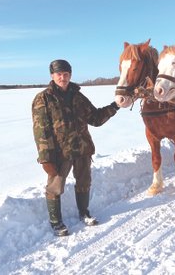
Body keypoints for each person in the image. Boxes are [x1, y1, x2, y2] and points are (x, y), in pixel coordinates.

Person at [32, 59, 120, 237]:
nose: (63, 78)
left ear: (70, 75)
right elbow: (41, 131)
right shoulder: (44, 98)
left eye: (66, 74)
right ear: (52, 76)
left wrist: (115, 106)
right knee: (55, 187)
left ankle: (84, 212)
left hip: (82, 149)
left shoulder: (78, 96)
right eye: (59, 74)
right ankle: (56, 222)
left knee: (84, 182)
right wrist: (45, 158)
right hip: (59, 153)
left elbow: (95, 118)